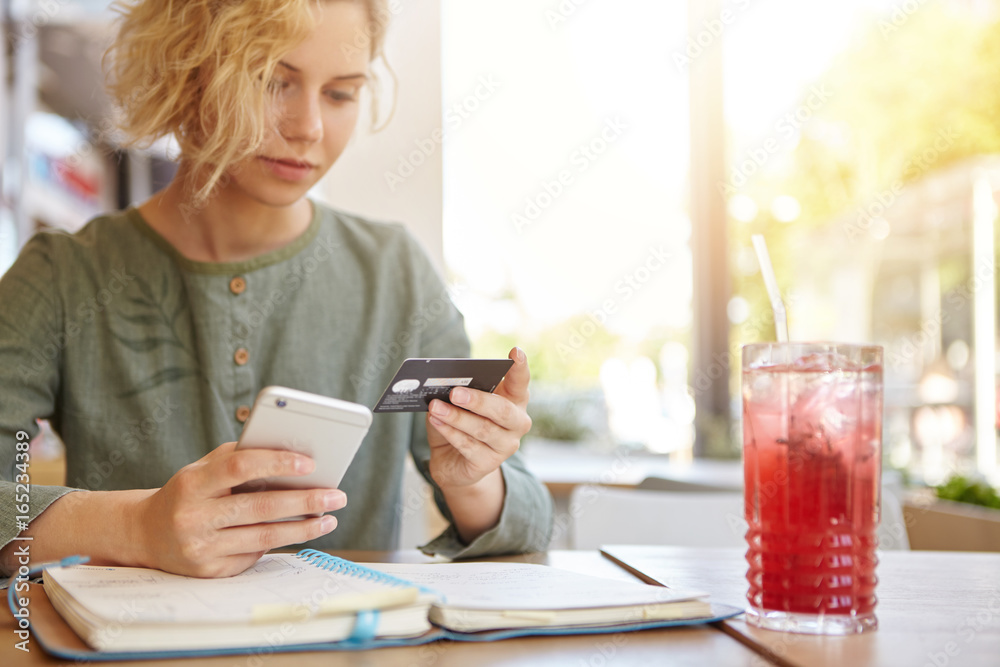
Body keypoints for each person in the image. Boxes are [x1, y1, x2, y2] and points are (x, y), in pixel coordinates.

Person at [0, 0, 553, 578]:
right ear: (187, 70)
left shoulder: (396, 273)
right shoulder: (64, 275)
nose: (308, 127)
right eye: (271, 82)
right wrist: (134, 527)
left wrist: (475, 481)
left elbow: (526, 520)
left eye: (340, 93)